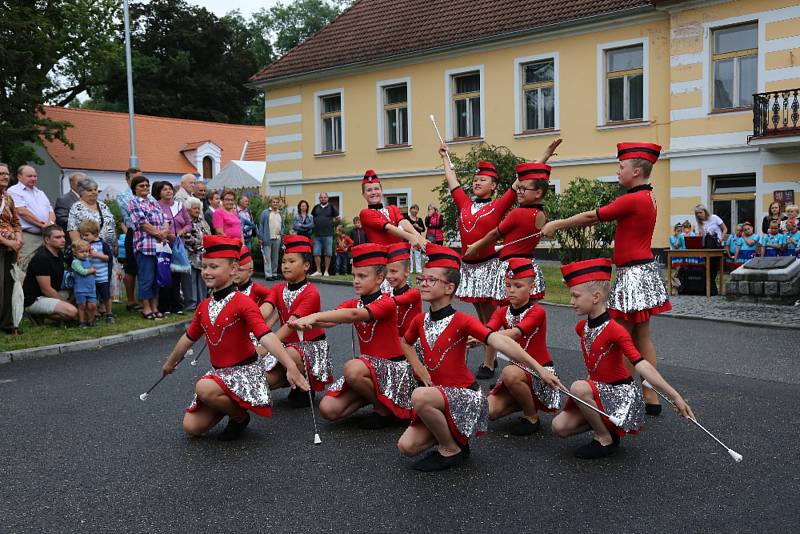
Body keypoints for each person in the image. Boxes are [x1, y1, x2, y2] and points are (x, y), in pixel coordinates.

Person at [396, 245, 562, 471]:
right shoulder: (420, 320)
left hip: (463, 395)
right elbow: (405, 342)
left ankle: (451, 449)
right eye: (422, 278)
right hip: (436, 395)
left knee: (419, 397)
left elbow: (501, 340)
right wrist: (419, 368)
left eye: (432, 279)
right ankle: (453, 435)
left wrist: (539, 369)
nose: (424, 282)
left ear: (449, 288)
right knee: (406, 446)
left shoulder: (463, 320)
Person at [542, 143, 672, 414]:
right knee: (642, 335)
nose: (617, 171)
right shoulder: (647, 196)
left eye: (621, 167)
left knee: (620, 335)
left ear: (636, 171)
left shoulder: (633, 198)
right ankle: (650, 395)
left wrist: (556, 224)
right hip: (642, 270)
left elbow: (592, 217)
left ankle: (619, 391)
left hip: (634, 273)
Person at [161, 235, 309, 441]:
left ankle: (239, 417)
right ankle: (229, 404)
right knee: (191, 427)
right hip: (220, 375)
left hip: (244, 373)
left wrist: (290, 366)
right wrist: (169, 364)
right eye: (204, 267)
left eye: (213, 266)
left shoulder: (243, 302)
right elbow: (188, 339)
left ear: (233, 269)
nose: (206, 272)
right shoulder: (204, 306)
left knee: (204, 387)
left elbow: (265, 336)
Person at [439, 140, 559, 380]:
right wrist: (445, 157)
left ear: (493, 186)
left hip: (490, 265)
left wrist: (544, 155)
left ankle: (489, 361)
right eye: (475, 179)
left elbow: (526, 180)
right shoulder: (465, 204)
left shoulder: (498, 206)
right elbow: (452, 182)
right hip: (470, 269)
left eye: (483, 180)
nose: (476, 182)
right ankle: (490, 358)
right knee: (482, 317)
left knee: (493, 315)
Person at [551, 258, 693, 459]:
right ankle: (609, 427)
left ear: (596, 297)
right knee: (559, 427)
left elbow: (641, 364)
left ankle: (604, 439)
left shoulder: (614, 330)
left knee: (579, 387)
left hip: (620, 395)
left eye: (575, 296)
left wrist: (675, 396)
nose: (571, 302)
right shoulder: (581, 328)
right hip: (599, 392)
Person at [289, 243, 416, 429]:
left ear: (380, 278)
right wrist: (305, 323)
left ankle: (385, 412)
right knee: (328, 409)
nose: (355, 280)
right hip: (368, 371)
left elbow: (353, 315)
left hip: (392, 372)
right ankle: (374, 397)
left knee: (352, 368)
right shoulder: (353, 302)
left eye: (362, 276)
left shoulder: (387, 303)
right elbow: (331, 321)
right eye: (354, 275)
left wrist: (314, 315)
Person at [487, 258, 562, 436]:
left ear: (532, 287)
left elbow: (516, 333)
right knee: (489, 412)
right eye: (508, 285)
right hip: (517, 372)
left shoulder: (537, 312)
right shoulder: (501, 311)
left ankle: (531, 416)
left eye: (518, 286)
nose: (511, 290)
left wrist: (485, 336)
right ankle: (523, 399)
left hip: (539, 371)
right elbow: (488, 328)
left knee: (509, 373)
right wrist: (474, 334)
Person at [261, 235, 333, 407]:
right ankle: (290, 379)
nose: (285, 265)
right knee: (263, 379)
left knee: (291, 354)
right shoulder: (278, 288)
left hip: (308, 346)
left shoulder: (311, 293)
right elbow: (264, 310)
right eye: (284, 261)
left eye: (291, 261)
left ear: (306, 266)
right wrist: (248, 318)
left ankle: (305, 387)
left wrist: (265, 348)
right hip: (285, 345)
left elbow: (291, 326)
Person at [463, 161, 551, 301]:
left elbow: (495, 233)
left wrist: (476, 247)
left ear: (538, 193)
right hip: (530, 265)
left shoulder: (518, 213)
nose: (519, 192)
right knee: (527, 312)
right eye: (519, 188)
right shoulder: (541, 213)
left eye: (523, 189)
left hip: (512, 267)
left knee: (508, 313)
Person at [128, 175, 166, 320]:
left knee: (158, 277)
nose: (145, 188)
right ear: (134, 189)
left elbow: (165, 219)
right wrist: (159, 234)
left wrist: (164, 231)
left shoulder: (154, 202)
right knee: (146, 278)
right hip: (145, 246)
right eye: (141, 186)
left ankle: (155, 306)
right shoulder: (133, 203)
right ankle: (146, 307)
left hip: (159, 246)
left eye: (146, 185)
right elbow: (141, 223)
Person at [22, 225, 77, 321]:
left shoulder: (59, 253)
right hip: (35, 299)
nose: (63, 240)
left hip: (53, 292)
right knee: (72, 312)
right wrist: (66, 303)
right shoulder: (41, 258)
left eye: (63, 236)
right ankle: (37, 315)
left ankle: (55, 311)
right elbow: (46, 289)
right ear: (47, 240)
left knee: (81, 292)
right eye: (58, 237)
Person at [154, 181, 192, 315]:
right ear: (159, 192)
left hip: (178, 245)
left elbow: (189, 224)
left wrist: (180, 233)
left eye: (170, 189)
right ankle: (164, 305)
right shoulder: (156, 206)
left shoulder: (179, 206)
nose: (168, 191)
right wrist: (165, 235)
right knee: (164, 274)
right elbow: (155, 224)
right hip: (163, 244)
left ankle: (176, 305)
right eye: (164, 189)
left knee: (177, 275)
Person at [8, 165, 55, 272]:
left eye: (35, 176)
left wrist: (50, 224)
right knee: (25, 265)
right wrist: (42, 225)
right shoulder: (14, 191)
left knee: (44, 265)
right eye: (30, 176)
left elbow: (50, 210)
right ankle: (22, 289)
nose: (33, 178)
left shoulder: (40, 192)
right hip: (28, 236)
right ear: (19, 177)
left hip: (45, 234)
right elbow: (21, 211)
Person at [117, 167, 145, 312]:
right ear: (127, 179)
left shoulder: (147, 194)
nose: (139, 182)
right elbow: (133, 211)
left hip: (147, 233)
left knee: (145, 266)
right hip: (133, 232)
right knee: (131, 267)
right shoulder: (123, 195)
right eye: (135, 178)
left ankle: (144, 298)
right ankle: (131, 300)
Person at [0, 162, 23, 334]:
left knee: (9, 285)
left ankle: (7, 323)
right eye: (1, 174)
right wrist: (8, 242)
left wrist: (18, 238)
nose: (5, 177)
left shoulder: (8, 197)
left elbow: (16, 222)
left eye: (7, 173)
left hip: (11, 248)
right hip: (4, 245)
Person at [79, 219, 114, 324]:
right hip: (90, 276)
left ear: (95, 234)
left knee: (106, 296)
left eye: (86, 235)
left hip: (102, 276)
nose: (84, 238)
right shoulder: (85, 245)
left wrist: (97, 255)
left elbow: (109, 258)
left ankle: (109, 313)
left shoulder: (103, 244)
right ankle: (95, 314)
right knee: (93, 296)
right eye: (82, 235)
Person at [385, 242, 422, 338]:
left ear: (407, 271)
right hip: (394, 346)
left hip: (412, 346)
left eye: (393, 271)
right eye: (386, 272)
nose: (388, 276)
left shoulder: (414, 294)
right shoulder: (387, 295)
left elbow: (403, 299)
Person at [182, 196, 210, 310]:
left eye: (199, 209)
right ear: (188, 209)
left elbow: (208, 234)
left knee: (202, 279)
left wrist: (204, 243)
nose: (198, 211)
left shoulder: (202, 221)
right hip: (190, 254)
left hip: (202, 254)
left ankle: (202, 302)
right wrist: (200, 242)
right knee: (190, 280)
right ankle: (191, 304)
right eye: (195, 209)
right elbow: (187, 238)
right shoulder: (185, 221)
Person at [70, 239, 97, 328]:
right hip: (81, 289)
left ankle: (91, 320)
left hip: (91, 288)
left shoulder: (88, 260)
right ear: (75, 253)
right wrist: (91, 270)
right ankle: (82, 322)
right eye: (82, 252)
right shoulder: (76, 262)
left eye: (87, 251)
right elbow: (82, 271)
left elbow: (93, 271)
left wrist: (93, 271)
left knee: (92, 306)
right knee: (82, 306)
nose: (85, 254)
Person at [311, 192, 340, 276]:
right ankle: (318, 271)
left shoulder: (331, 207)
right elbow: (313, 218)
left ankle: (326, 271)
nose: (323, 199)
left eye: (325, 197)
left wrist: (333, 224)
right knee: (316, 253)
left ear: (328, 198)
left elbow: (337, 218)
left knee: (328, 253)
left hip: (328, 234)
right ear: (319, 199)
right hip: (317, 234)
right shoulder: (316, 208)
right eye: (321, 197)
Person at [54, 172, 84, 242]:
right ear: (71, 183)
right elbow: (61, 219)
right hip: (73, 239)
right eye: (79, 182)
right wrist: (82, 224)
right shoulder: (64, 200)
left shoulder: (88, 198)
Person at [258, 196, 283, 279]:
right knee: (267, 258)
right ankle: (268, 274)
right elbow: (261, 225)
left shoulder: (280, 213)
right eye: (273, 202)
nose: (275, 203)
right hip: (267, 238)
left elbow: (282, 225)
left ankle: (274, 273)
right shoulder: (265, 213)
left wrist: (281, 233)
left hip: (277, 238)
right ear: (270, 203)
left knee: (275, 258)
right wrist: (260, 237)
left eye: (276, 202)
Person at [403, 204, 426, 273]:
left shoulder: (419, 219)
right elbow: (404, 227)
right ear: (410, 210)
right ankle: (411, 269)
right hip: (409, 238)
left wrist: (418, 227)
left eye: (417, 209)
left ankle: (418, 269)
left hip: (417, 238)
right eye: (414, 209)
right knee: (410, 254)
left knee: (418, 254)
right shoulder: (406, 218)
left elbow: (423, 229)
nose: (415, 210)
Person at [669, 223, 686, 294]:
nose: (679, 232)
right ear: (675, 230)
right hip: (676, 256)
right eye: (678, 231)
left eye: (681, 231)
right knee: (677, 271)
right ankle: (674, 285)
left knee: (683, 271)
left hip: (684, 255)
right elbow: (676, 246)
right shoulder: (672, 237)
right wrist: (679, 237)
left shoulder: (683, 236)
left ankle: (681, 286)